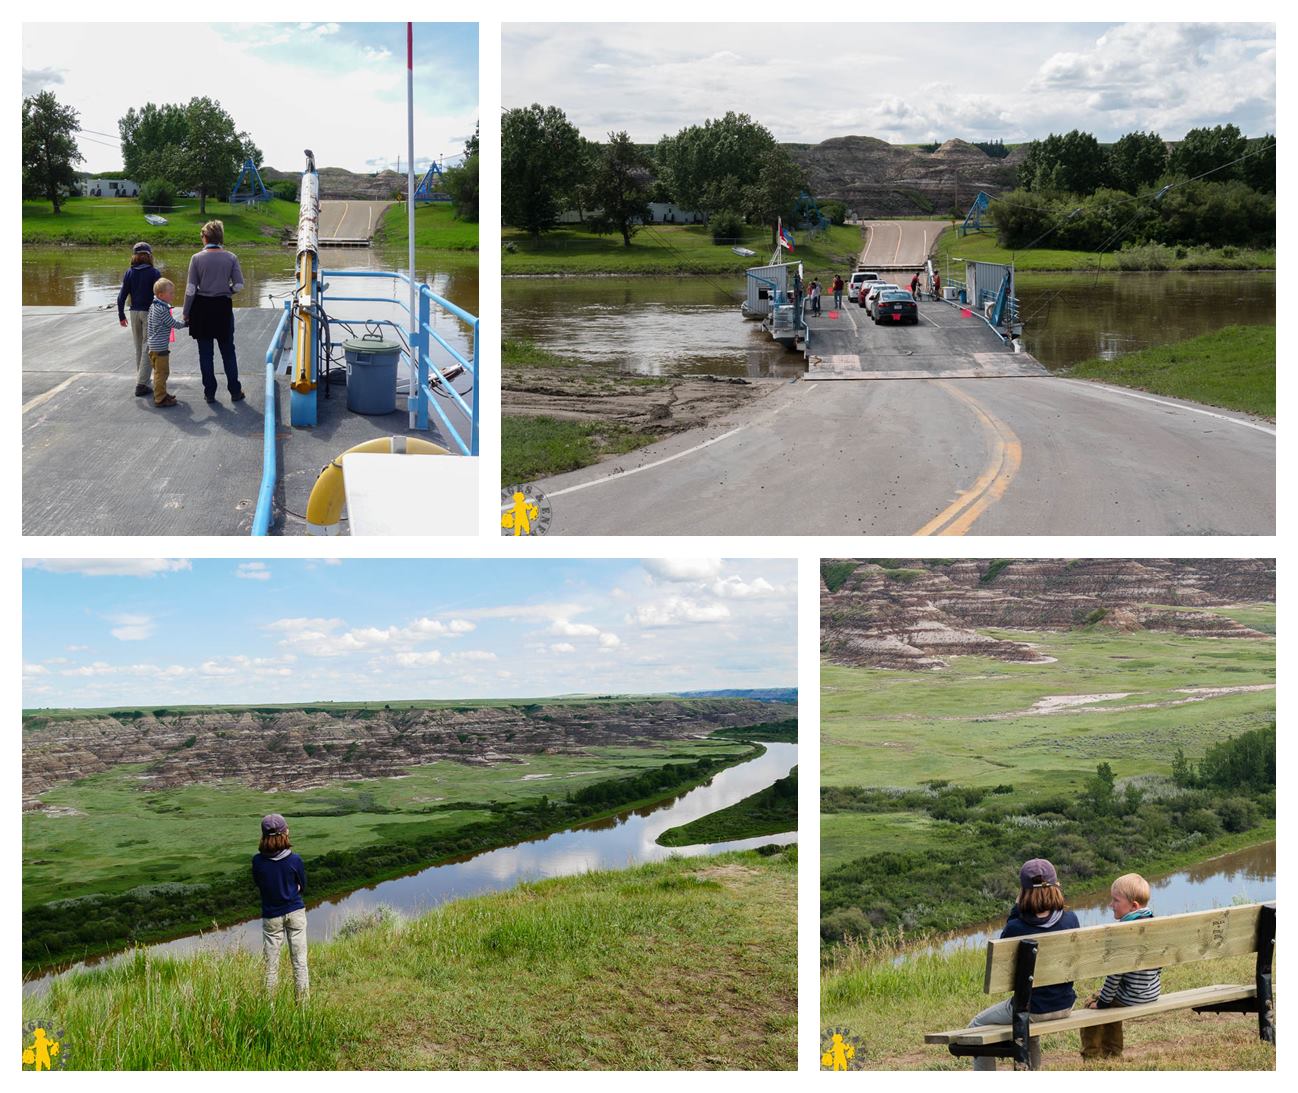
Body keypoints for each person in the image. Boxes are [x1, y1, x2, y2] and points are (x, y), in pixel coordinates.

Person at [965, 858, 1080, 1070]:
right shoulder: (1070, 919)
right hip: (1065, 1005)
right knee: (1028, 1029)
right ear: (1056, 887)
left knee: (976, 1025)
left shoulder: (1016, 928)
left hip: (1032, 1009)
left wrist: (1017, 908)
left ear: (1023, 892)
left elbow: (1004, 962)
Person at [1079, 873, 1160, 1061]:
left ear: (1134, 906)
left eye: (1115, 900)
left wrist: (1101, 1003)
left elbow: (1115, 977)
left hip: (1130, 997)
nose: (1110, 904)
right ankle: (1112, 1052)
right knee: (1109, 1001)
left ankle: (1091, 1056)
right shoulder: (1156, 924)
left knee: (1095, 1002)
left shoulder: (1123, 932)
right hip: (1152, 993)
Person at [183, 220, 245, 403]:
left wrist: (186, 312)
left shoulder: (196, 259)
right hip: (222, 308)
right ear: (220, 238)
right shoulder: (231, 257)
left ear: (205, 237)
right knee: (228, 351)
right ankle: (235, 390)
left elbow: (191, 289)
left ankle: (210, 392)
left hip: (201, 308)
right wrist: (228, 291)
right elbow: (240, 285)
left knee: (205, 353)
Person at [251, 812, 309, 999]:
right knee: (300, 962)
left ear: (263, 836)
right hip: (295, 912)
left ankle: (269, 1008)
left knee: (271, 965)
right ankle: (303, 1007)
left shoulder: (257, 861)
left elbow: (259, 884)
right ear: (285, 834)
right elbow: (303, 886)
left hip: (271, 916)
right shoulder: (295, 860)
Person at [118, 241, 162, 398]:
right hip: (150, 313)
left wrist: (121, 315)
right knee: (148, 347)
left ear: (134, 256)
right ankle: (142, 384)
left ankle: (142, 379)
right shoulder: (154, 273)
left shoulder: (129, 273)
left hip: (134, 312)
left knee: (139, 347)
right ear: (149, 256)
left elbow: (121, 296)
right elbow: (161, 296)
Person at [145, 279, 186, 407]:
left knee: (160, 372)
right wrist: (185, 324)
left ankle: (161, 393)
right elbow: (172, 323)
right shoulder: (162, 310)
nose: (173, 295)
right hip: (160, 347)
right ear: (161, 295)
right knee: (161, 373)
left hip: (153, 346)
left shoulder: (154, 305)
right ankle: (160, 398)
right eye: (171, 293)